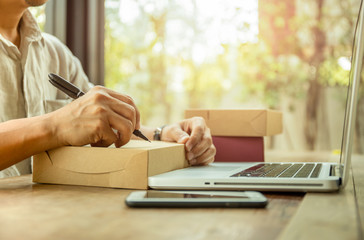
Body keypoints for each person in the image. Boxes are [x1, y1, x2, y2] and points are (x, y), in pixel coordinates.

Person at [0, 0, 216, 177]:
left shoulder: (56, 53)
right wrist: (57, 124)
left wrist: (165, 134)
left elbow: (100, 124)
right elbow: (66, 121)